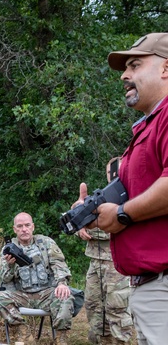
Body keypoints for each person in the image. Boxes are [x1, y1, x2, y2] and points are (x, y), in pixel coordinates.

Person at [80, 32, 168, 345]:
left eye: (134, 65)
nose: (125, 76)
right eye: (124, 69)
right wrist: (96, 212)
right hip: (150, 287)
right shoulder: (150, 124)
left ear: (166, 68)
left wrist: (121, 214)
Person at [0, 212, 74, 345]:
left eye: (27, 225)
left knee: (66, 296)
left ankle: (61, 338)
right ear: (14, 229)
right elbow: (4, 279)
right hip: (22, 295)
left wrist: (62, 283)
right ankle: (24, 334)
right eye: (20, 226)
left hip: (46, 293)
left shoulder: (46, 243)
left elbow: (59, 264)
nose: (24, 229)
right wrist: (10, 265)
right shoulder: (7, 249)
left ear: (33, 227)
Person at [75, 157, 132, 344]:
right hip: (95, 264)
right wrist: (80, 222)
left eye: (117, 171)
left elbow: (118, 227)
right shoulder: (98, 200)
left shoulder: (133, 198)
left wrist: (93, 225)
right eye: (110, 172)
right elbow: (85, 229)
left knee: (118, 313)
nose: (113, 175)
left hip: (119, 266)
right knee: (94, 310)